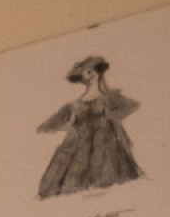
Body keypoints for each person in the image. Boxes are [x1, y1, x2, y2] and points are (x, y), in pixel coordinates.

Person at [37, 54, 142, 199]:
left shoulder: (109, 97)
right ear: (81, 77)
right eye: (87, 71)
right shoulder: (74, 105)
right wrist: (71, 127)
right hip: (80, 143)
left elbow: (131, 107)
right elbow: (52, 125)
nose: (91, 74)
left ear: (99, 72)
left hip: (106, 142)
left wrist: (111, 117)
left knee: (110, 178)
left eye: (94, 70)